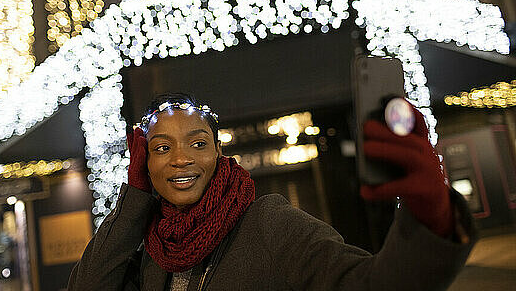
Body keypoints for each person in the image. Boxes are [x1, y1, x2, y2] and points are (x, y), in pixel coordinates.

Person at [68, 93, 475, 291]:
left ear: (218, 151)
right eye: (161, 149)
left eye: (197, 143)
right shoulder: (153, 253)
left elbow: (369, 284)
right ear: (144, 165)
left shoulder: (269, 224)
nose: (180, 160)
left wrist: (431, 218)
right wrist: (135, 197)